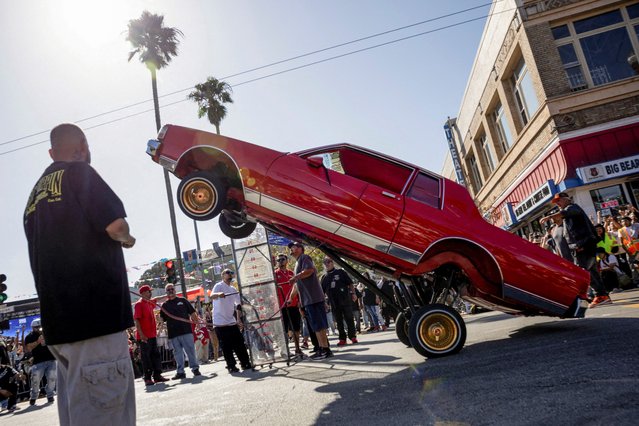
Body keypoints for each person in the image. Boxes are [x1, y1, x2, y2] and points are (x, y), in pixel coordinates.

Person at [24, 123, 136, 425]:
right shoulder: (80, 174)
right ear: (84, 147)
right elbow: (116, 227)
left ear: (51, 152)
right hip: (96, 320)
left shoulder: (34, 196)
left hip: (61, 329)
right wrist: (128, 239)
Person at [540, 192, 610, 308]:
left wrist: (550, 216)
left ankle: (584, 297)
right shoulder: (567, 217)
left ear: (567, 199)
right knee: (591, 271)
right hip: (583, 245)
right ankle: (602, 296)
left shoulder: (573, 207)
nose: (557, 203)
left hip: (584, 245)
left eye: (559, 200)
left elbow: (568, 212)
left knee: (582, 271)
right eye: (556, 202)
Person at [288, 242, 333, 360]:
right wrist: (291, 297)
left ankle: (325, 350)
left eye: (293, 247)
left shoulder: (305, 258)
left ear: (300, 249)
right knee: (316, 326)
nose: (290, 249)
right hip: (308, 300)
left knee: (319, 325)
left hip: (314, 298)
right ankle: (322, 349)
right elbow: (297, 284)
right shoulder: (297, 263)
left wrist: (296, 277)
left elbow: (309, 271)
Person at [211, 269, 251, 373]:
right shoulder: (218, 286)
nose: (230, 274)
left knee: (239, 343)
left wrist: (238, 319)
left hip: (231, 321)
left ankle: (245, 363)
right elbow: (211, 296)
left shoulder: (233, 289)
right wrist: (219, 294)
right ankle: (231, 366)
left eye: (231, 273)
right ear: (223, 275)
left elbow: (238, 304)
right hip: (220, 323)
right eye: (227, 273)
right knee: (226, 346)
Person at [159, 283, 201, 379]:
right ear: (166, 292)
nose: (171, 291)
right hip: (173, 334)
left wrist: (197, 324)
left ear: (175, 290)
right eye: (168, 290)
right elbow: (162, 319)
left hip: (186, 331)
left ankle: (195, 369)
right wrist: (159, 319)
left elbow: (192, 313)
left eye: (172, 289)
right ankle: (180, 372)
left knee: (190, 351)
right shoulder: (164, 305)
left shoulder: (183, 300)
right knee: (177, 354)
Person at [133, 285, 168, 386]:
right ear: (144, 293)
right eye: (149, 291)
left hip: (152, 335)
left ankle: (157, 376)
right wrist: (141, 334)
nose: (150, 293)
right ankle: (147, 378)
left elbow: (157, 299)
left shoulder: (149, 303)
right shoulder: (139, 304)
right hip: (144, 336)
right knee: (146, 357)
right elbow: (137, 320)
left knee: (155, 355)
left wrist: (167, 295)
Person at [320, 257, 358, 346]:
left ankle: (352, 336)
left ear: (332, 262)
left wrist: (353, 293)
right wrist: (324, 302)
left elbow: (350, 283)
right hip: (334, 303)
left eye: (329, 261)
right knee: (339, 321)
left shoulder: (341, 272)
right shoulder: (324, 277)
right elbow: (322, 292)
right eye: (325, 262)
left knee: (349, 319)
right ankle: (342, 338)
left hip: (345, 300)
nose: (327, 264)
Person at [274, 254, 303, 357]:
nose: (280, 261)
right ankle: (285, 350)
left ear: (286, 261)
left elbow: (297, 287)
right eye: (278, 260)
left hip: (293, 304)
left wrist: (299, 301)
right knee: (284, 329)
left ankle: (297, 348)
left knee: (296, 328)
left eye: (282, 259)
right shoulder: (274, 274)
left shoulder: (291, 273)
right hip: (281, 306)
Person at [24, 319, 57, 405]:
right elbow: (28, 348)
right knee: (35, 380)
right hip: (38, 361)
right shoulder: (29, 336)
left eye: (40, 327)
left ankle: (50, 394)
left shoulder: (48, 332)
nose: (39, 329)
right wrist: (38, 341)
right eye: (37, 327)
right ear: (32, 328)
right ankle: (34, 396)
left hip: (51, 359)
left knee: (52, 378)